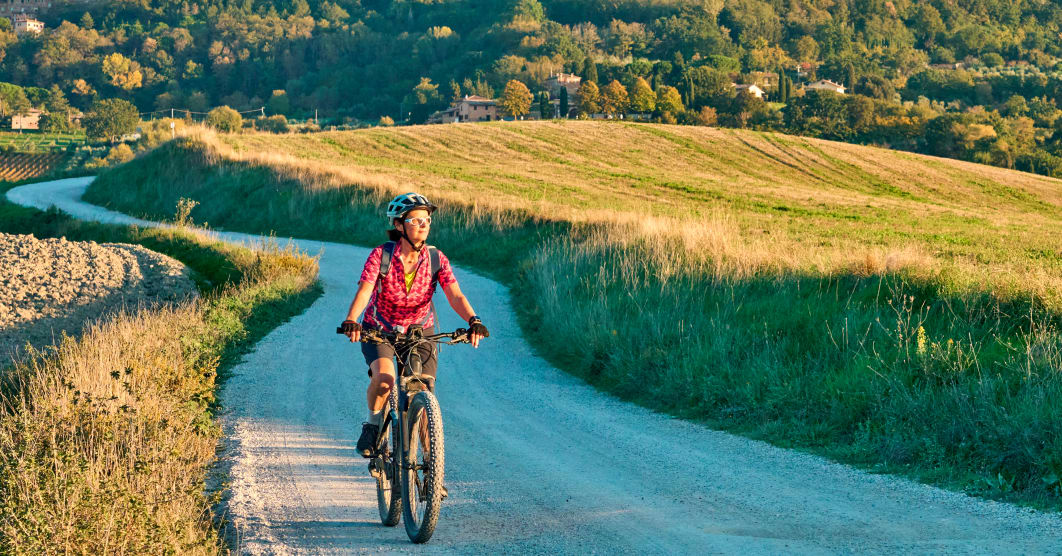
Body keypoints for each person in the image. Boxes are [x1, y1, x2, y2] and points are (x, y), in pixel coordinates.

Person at [340, 192, 489, 458]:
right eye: (415, 220)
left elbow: (455, 294)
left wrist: (473, 320)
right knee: (385, 379)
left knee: (424, 391)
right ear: (398, 225)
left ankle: (432, 468)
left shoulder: (435, 259)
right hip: (380, 331)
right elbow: (365, 290)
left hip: (421, 331)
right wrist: (352, 320)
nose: (423, 225)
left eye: (427, 219)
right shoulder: (381, 255)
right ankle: (373, 426)